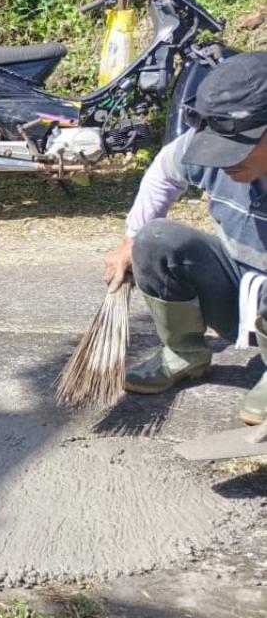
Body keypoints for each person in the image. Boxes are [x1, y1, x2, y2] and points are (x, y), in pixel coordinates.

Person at [105, 52, 267, 424]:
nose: (224, 162)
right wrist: (130, 241)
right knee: (154, 240)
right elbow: (164, 173)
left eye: (237, 150)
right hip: (241, 290)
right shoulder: (207, 143)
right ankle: (184, 352)